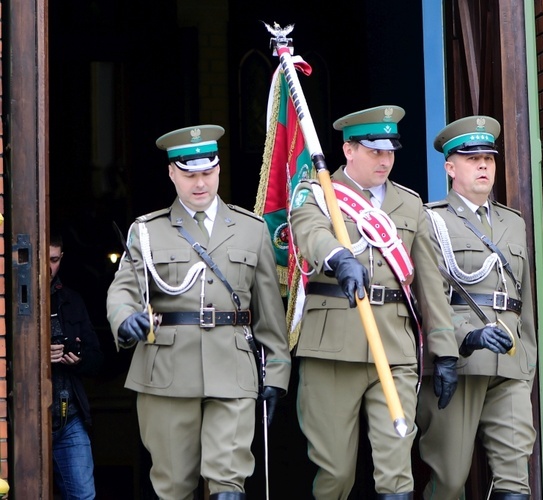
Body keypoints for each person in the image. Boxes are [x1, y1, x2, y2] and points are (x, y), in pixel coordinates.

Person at [106, 125, 291, 500]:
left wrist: (277, 372)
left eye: (207, 172)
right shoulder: (146, 231)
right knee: (174, 486)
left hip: (233, 369)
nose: (200, 183)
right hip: (168, 371)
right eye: (190, 174)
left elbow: (269, 311)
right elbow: (123, 289)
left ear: (219, 169)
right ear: (172, 173)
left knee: (229, 483)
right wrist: (126, 319)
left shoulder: (251, 229)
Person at [289, 105, 459, 500]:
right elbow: (311, 234)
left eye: (390, 151)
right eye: (374, 151)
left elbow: (429, 283)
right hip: (333, 349)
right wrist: (338, 256)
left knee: (397, 474)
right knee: (335, 473)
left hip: (394, 347)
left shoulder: (410, 204)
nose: (386, 160)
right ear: (349, 150)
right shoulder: (316, 193)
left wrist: (445, 350)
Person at [417, 116, 538, 500]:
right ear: (450, 167)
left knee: (516, 483)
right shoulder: (431, 220)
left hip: (510, 362)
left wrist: (527, 361)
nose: (484, 164)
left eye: (489, 157)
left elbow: (525, 300)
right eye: (472, 158)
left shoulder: (513, 222)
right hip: (461, 361)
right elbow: (427, 297)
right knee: (450, 480)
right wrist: (462, 337)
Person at [49, 232, 104, 500]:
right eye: (44, 259)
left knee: (83, 496)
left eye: (55, 260)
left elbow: (97, 359)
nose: (49, 267)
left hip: (70, 417)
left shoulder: (72, 300)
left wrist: (78, 361)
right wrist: (37, 357)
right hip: (24, 418)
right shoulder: (11, 299)